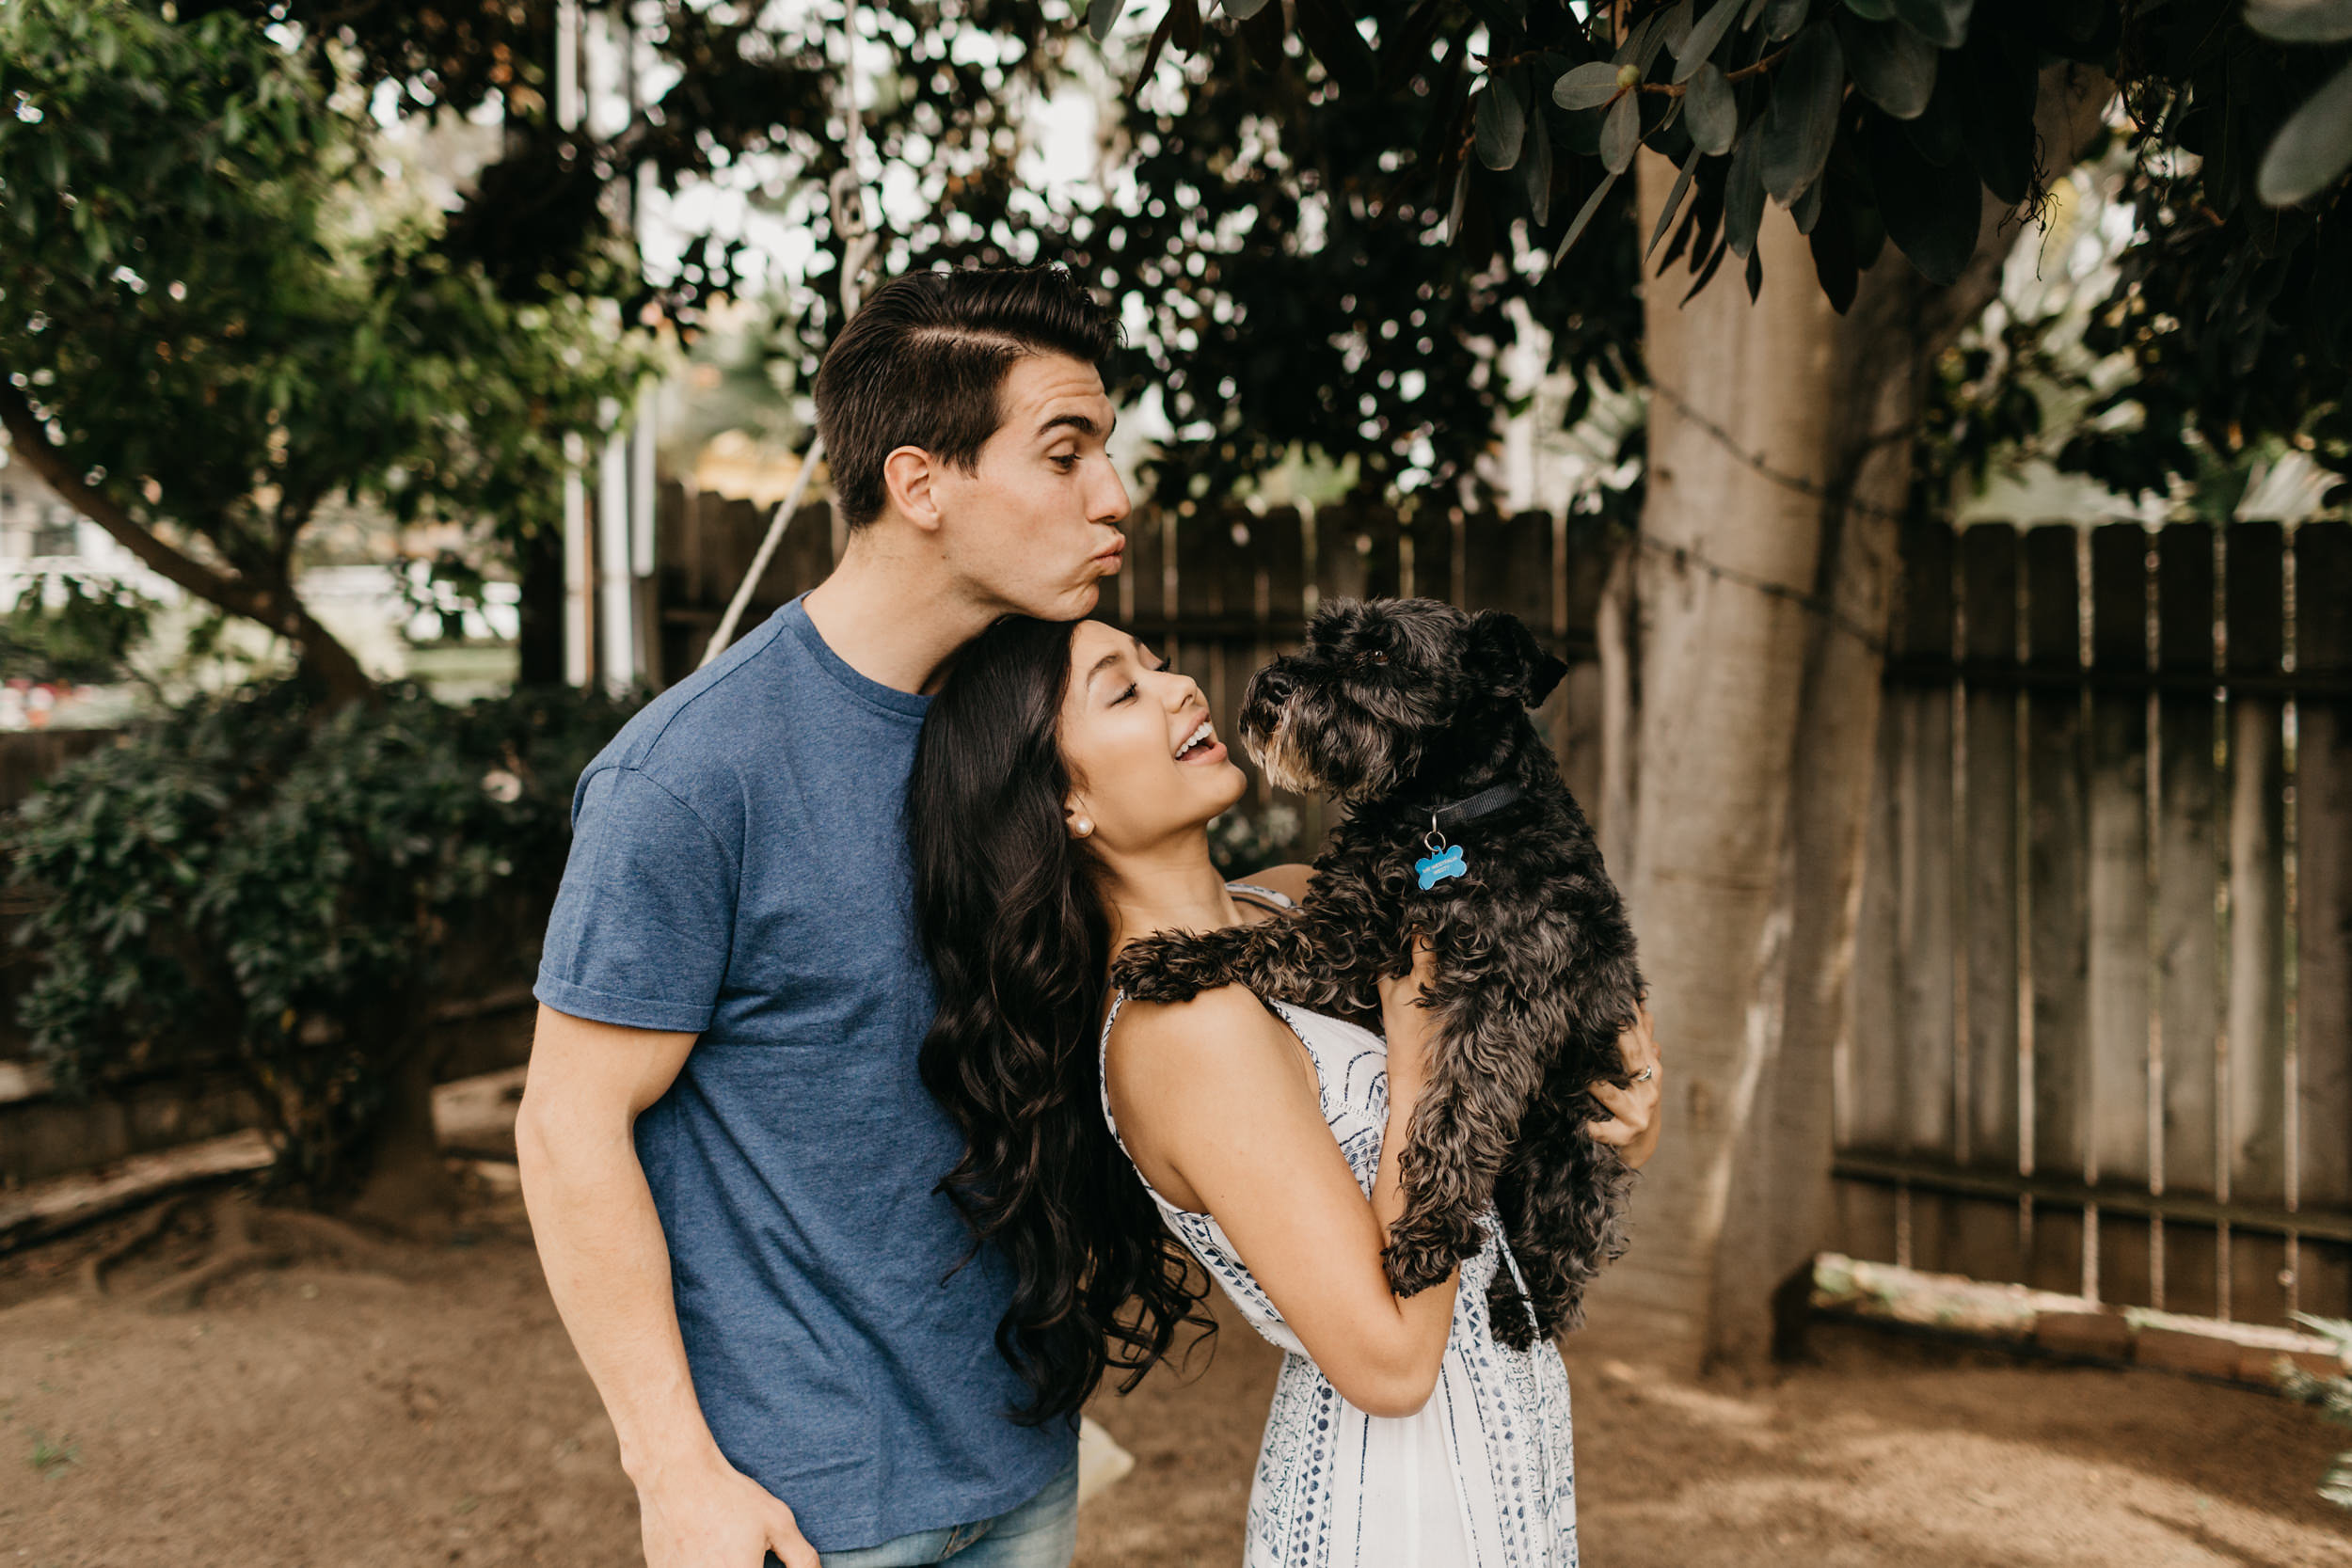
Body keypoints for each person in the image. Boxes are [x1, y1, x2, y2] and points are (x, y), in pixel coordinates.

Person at [515, 265, 1133, 1568]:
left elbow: (1208, 908)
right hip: (802, 1509)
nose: (1113, 495)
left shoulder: (1026, 726)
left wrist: (1446, 919)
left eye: (1107, 452)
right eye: (1066, 451)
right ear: (921, 484)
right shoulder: (689, 772)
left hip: (1022, 1462)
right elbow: (569, 1123)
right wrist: (675, 1470)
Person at [907, 615, 1664, 1568]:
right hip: (1398, 1505)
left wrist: (1613, 1121)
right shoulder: (1188, 1032)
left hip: (1504, 1459)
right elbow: (1387, 1363)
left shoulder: (1292, 893)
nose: (1180, 684)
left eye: (1158, 660)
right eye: (1123, 689)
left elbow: (1512, 1086)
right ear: (1065, 803)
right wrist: (1427, 1065)